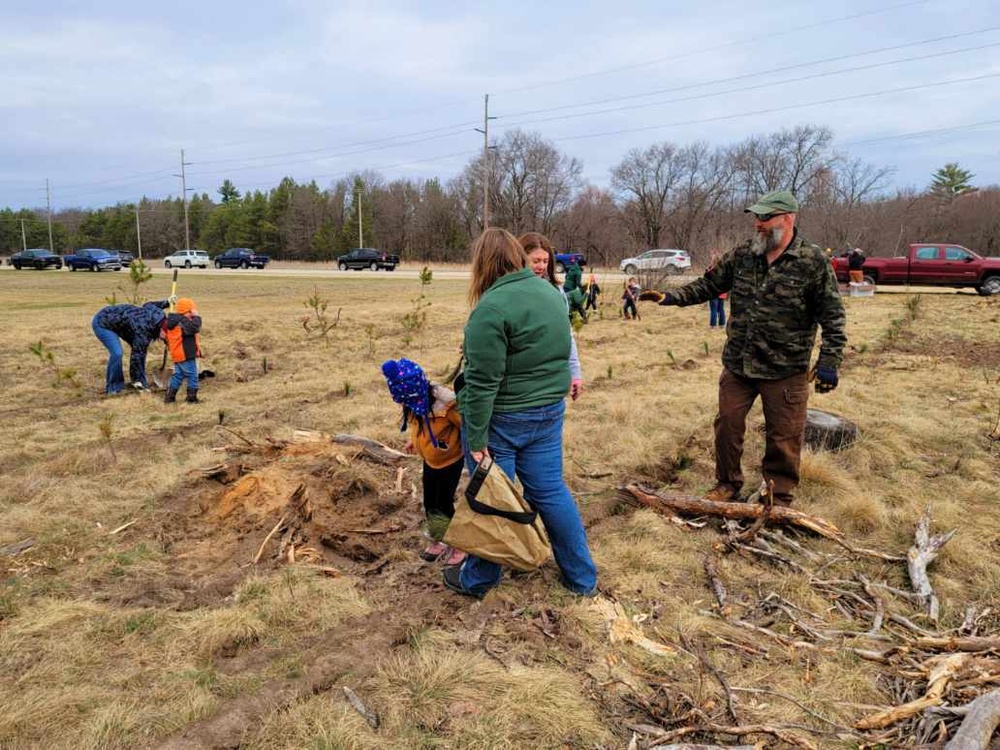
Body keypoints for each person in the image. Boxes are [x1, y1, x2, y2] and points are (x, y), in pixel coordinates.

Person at [652, 189, 846, 506]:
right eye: (756, 217)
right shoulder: (744, 254)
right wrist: (671, 297)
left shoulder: (812, 262)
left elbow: (833, 316)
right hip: (739, 365)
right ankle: (727, 484)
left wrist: (829, 362)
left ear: (788, 218)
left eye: (765, 217)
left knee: (783, 437)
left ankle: (777, 497)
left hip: (785, 368)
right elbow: (709, 285)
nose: (757, 224)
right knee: (727, 425)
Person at [444, 228, 598, 599]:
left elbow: (482, 384)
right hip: (548, 412)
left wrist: (477, 440)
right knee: (551, 491)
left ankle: (479, 579)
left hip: (505, 420)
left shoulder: (490, 309)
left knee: (493, 497)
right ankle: (582, 579)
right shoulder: (549, 293)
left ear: (481, 264)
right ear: (516, 256)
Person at [382, 358, 466, 567]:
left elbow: (466, 425)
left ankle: (459, 545)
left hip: (450, 460)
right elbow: (416, 423)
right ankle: (439, 539)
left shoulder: (448, 404)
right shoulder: (413, 404)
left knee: (444, 502)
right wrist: (414, 440)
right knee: (430, 502)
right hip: (430, 460)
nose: (406, 406)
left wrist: (477, 450)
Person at [520, 232, 584, 401]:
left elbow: (566, 334)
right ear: (520, 259)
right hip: (520, 385)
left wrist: (574, 373)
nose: (541, 266)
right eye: (535, 261)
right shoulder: (509, 291)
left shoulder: (556, 292)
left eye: (545, 261)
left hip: (550, 382)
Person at [92, 298, 172, 394]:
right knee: (117, 353)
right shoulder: (144, 331)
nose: (165, 339)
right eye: (166, 337)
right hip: (103, 322)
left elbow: (148, 304)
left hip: (120, 322)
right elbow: (137, 356)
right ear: (162, 330)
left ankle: (136, 381)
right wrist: (138, 382)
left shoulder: (158, 314)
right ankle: (113, 388)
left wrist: (167, 302)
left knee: (140, 351)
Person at [164, 297, 203, 404]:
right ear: (186, 311)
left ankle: (169, 397)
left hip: (178, 354)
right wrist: (196, 316)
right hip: (185, 354)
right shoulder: (182, 322)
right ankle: (191, 398)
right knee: (193, 375)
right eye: (191, 311)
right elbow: (196, 327)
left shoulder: (175, 320)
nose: (192, 314)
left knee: (178, 375)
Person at [561, 256, 588, 322]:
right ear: (582, 265)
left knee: (566, 302)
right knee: (577, 303)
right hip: (571, 289)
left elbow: (566, 276)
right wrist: (583, 288)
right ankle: (584, 318)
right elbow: (578, 283)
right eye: (584, 266)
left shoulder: (572, 267)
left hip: (565, 286)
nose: (585, 267)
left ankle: (569, 317)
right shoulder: (578, 272)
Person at [706, 250, 727, 328]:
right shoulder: (724, 269)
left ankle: (713, 325)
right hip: (722, 292)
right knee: (721, 309)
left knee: (713, 309)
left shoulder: (710, 269)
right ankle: (722, 324)